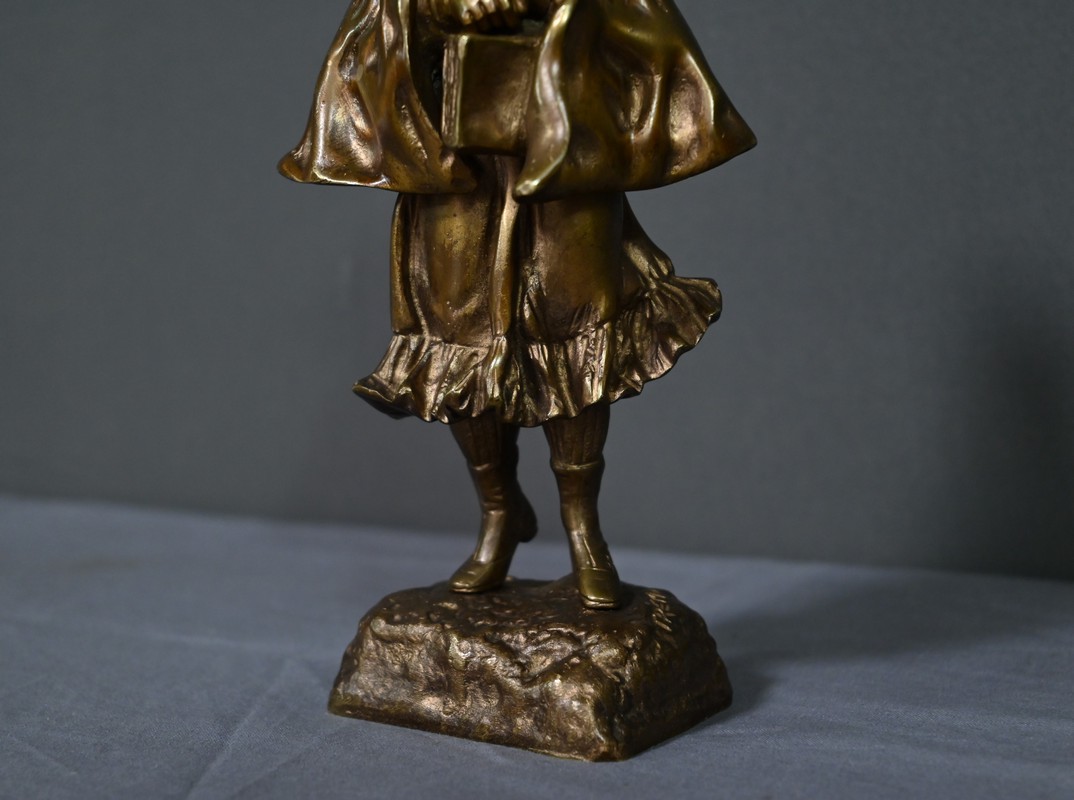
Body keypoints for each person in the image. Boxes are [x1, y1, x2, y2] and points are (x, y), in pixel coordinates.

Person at [279, 0, 755, 608]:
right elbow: (381, 22)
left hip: (565, 143)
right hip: (455, 161)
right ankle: (498, 511)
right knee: (459, 336)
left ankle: (584, 528)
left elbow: (636, 21)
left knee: (577, 328)